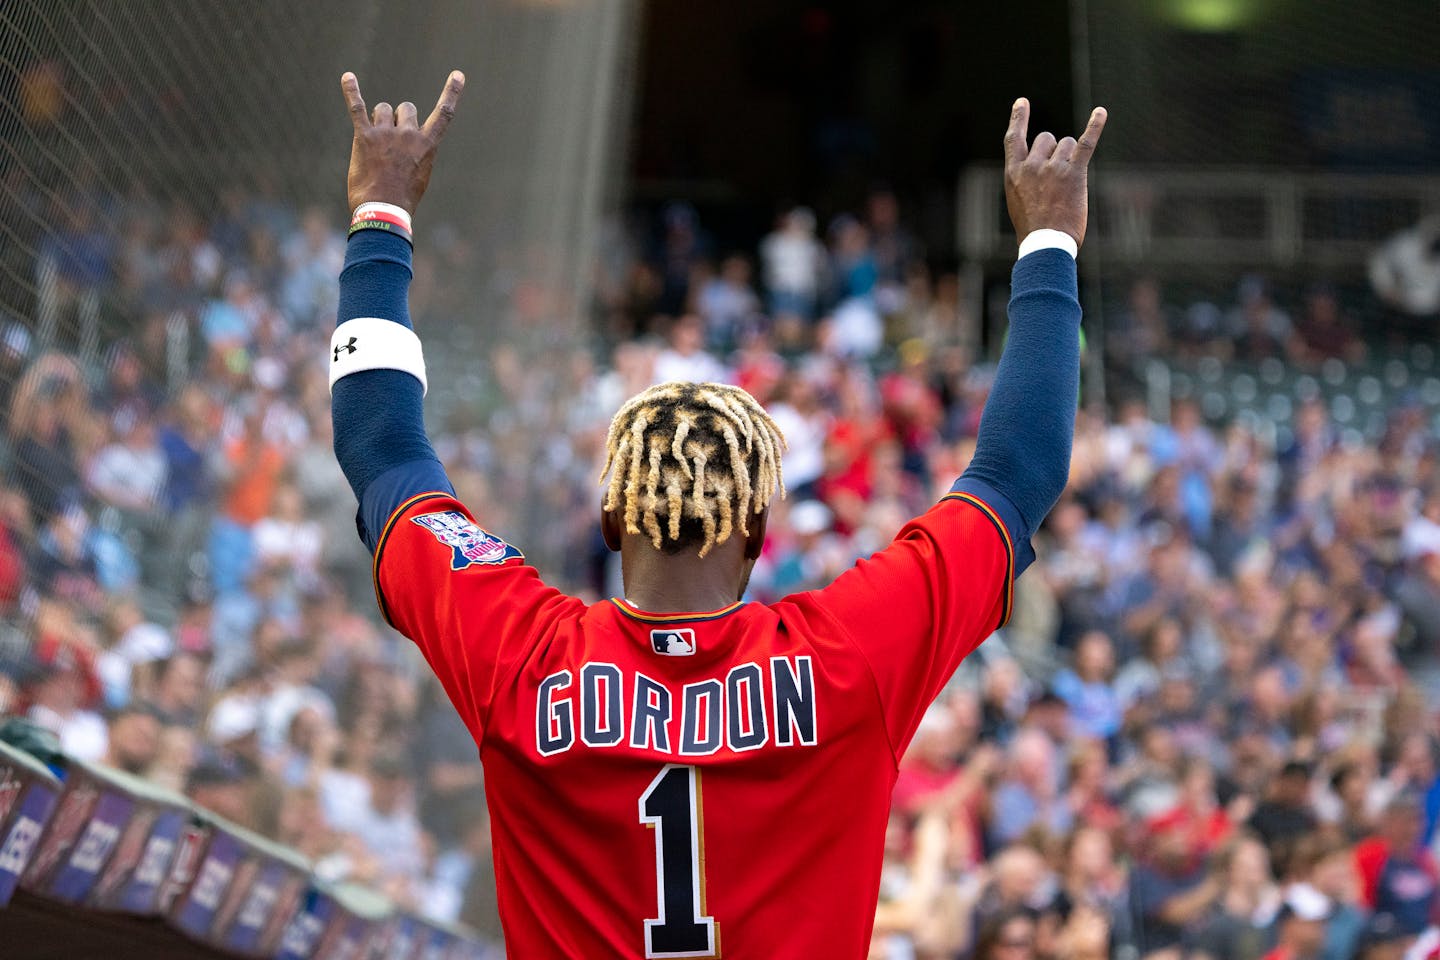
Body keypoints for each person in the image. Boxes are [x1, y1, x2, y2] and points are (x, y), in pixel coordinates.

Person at [329, 69, 1106, 957]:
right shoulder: (848, 659)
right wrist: (1048, 239)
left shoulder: (520, 654)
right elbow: (1018, 473)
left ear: (613, 521)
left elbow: (382, 448)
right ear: (758, 536)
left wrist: (381, 214)